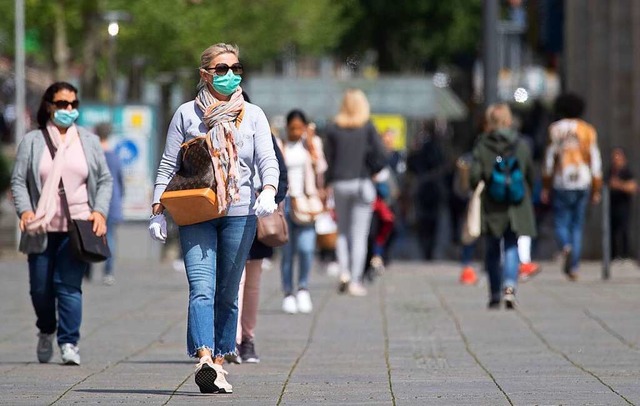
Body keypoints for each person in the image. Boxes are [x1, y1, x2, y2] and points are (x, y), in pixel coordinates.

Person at [149, 43, 279, 394]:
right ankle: (204, 358)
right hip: (196, 212)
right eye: (222, 69)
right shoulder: (186, 115)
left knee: (227, 292)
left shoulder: (252, 115)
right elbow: (167, 164)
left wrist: (268, 189)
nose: (230, 75)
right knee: (202, 288)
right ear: (204, 74)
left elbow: (268, 159)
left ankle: (221, 362)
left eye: (236, 68)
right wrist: (158, 210)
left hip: (240, 213)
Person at [11, 82, 113, 365]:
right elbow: (19, 180)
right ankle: (46, 330)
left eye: (73, 104)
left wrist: (100, 212)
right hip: (40, 227)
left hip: (77, 227)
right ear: (49, 106)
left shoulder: (88, 141)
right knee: (40, 289)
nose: (69, 109)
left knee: (68, 286)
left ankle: (69, 342)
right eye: (62, 104)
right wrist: (25, 212)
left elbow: (104, 180)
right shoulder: (33, 141)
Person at [470, 103, 536, 309]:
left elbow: (474, 177)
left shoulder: (482, 145)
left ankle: (494, 294)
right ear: (509, 120)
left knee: (491, 248)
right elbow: (529, 174)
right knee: (511, 245)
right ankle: (510, 287)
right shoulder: (521, 144)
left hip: (492, 204)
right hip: (516, 204)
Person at [324, 89, 387, 296]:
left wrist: (326, 184)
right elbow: (381, 154)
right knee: (359, 235)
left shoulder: (333, 128)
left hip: (340, 183)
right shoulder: (367, 127)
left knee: (342, 231)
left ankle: (344, 272)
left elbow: (328, 160)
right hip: (362, 183)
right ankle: (356, 280)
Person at [541, 93, 603, 280]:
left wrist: (545, 185)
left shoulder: (555, 130)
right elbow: (595, 160)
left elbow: (549, 160)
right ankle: (574, 265)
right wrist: (597, 187)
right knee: (577, 224)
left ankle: (565, 246)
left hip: (562, 179)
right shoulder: (588, 130)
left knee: (561, 220)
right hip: (582, 179)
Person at [280, 109, 320, 314]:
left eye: (299, 127)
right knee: (287, 252)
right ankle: (288, 292)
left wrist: (311, 144)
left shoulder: (312, 144)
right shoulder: (281, 145)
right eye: (292, 127)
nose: (296, 131)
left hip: (306, 202)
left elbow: (321, 168)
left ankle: (303, 287)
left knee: (306, 248)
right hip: (286, 202)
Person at [95, 123, 124, 286]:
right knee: (110, 237)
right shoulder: (114, 156)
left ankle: (86, 269)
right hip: (113, 202)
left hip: (94, 202)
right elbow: (120, 181)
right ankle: (108, 271)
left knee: (88, 236)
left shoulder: (93, 155)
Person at [608, 147, 637, 259]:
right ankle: (613, 255)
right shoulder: (610, 171)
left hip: (623, 207)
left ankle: (625, 255)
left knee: (624, 230)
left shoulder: (627, 172)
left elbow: (633, 187)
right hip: (611, 207)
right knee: (611, 232)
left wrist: (619, 185)